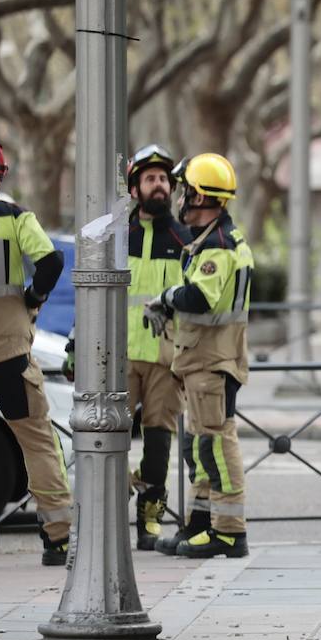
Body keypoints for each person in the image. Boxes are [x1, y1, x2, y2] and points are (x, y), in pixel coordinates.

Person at [0, 132, 72, 570]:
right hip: (10, 351)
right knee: (38, 443)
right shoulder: (15, 216)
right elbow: (51, 262)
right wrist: (32, 298)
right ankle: (58, 538)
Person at [146, 153, 253, 558]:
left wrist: (166, 297)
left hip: (213, 362)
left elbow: (200, 298)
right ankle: (200, 524)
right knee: (200, 446)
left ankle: (228, 532)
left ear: (202, 197)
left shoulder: (219, 248)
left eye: (187, 191)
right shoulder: (211, 242)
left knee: (216, 446)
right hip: (203, 362)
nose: (180, 199)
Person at [123, 145, 191, 547]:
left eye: (164, 178)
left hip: (166, 357)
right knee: (109, 436)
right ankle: (112, 502)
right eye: (150, 178)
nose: (160, 185)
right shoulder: (119, 236)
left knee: (158, 441)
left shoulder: (183, 239)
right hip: (121, 355)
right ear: (135, 188)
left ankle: (150, 516)